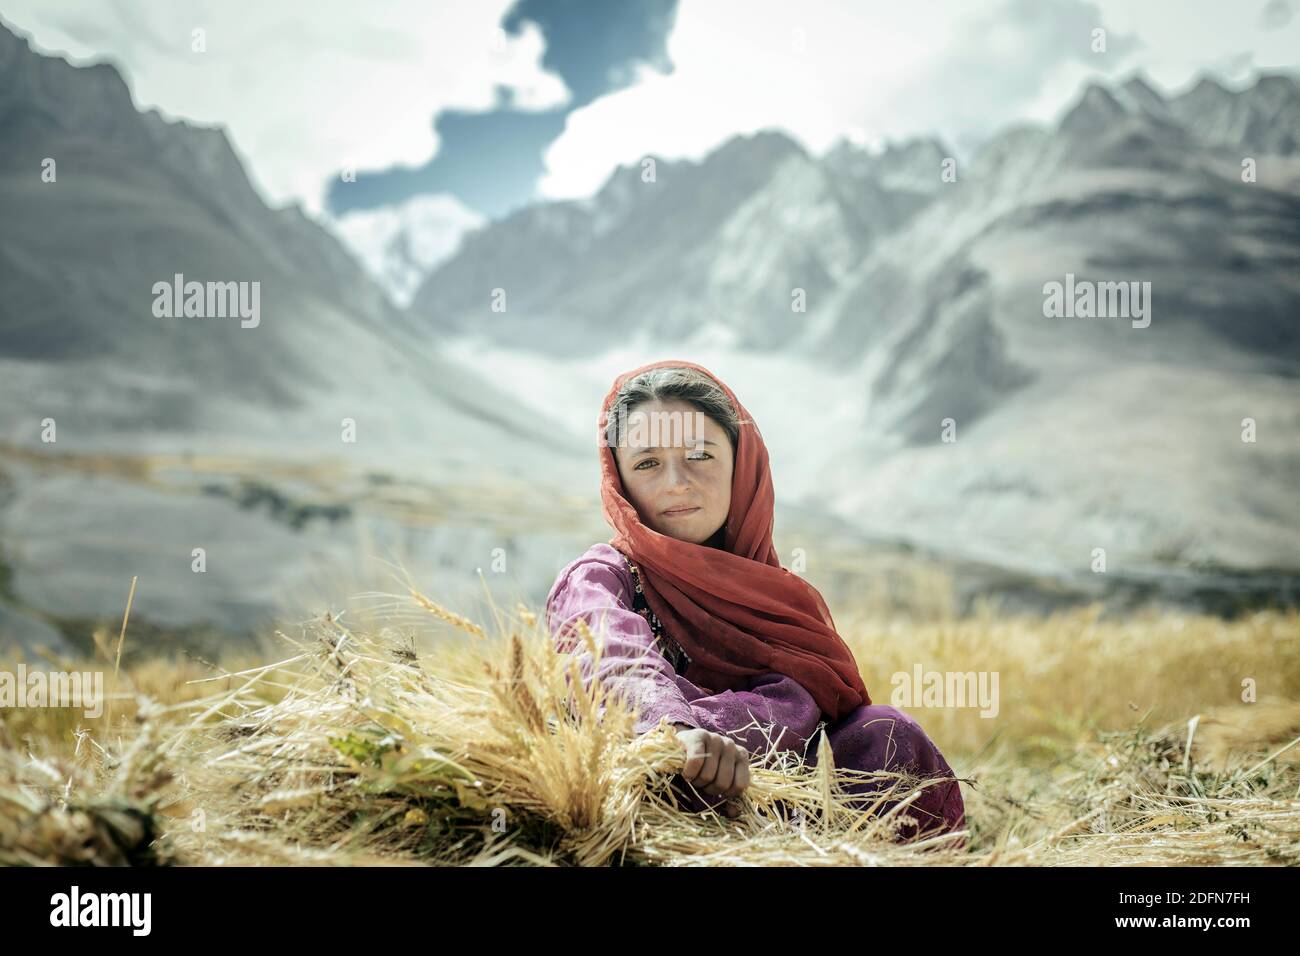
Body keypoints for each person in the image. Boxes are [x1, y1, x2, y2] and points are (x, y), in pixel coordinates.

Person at [545, 360, 966, 847]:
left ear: (742, 465)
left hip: (790, 806)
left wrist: (740, 733)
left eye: (699, 455)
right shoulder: (602, 578)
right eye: (646, 463)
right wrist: (676, 734)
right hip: (660, 793)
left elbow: (819, 715)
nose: (676, 482)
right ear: (618, 479)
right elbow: (609, 660)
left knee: (886, 734)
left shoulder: (773, 594)